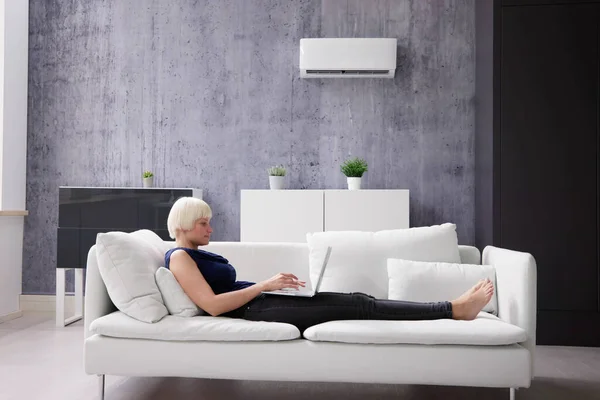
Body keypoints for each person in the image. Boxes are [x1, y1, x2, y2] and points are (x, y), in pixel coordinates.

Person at [165, 197, 494, 332]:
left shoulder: (195, 253)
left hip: (263, 302)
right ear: (182, 225)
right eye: (203, 224)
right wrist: (265, 285)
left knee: (359, 301)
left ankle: (452, 308)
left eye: (209, 222)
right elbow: (211, 306)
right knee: (360, 304)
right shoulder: (180, 257)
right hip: (256, 309)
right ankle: (453, 309)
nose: (210, 229)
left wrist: (269, 287)